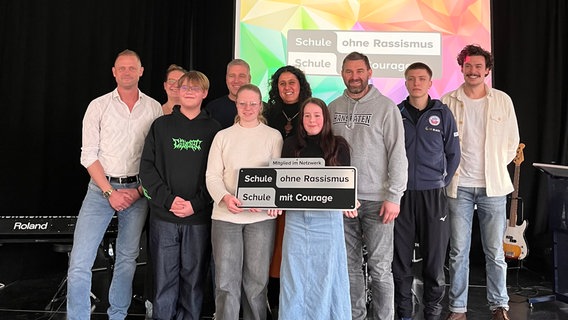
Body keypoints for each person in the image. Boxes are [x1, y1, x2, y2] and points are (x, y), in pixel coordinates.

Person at [67, 49, 162, 320]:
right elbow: (88, 155)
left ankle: (117, 315)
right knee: (80, 262)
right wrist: (110, 192)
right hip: (101, 189)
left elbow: (156, 157)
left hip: (137, 192)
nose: (127, 72)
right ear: (114, 71)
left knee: (127, 260)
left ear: (141, 71)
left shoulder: (154, 108)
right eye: (122, 68)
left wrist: (137, 191)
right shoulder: (98, 106)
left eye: (132, 68)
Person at [441, 44, 519, 320]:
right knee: (458, 251)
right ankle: (458, 309)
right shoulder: (447, 101)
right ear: (461, 67)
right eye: (468, 65)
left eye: (478, 66)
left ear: (487, 70)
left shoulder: (502, 101)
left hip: (493, 187)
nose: (473, 71)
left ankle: (500, 306)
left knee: (495, 252)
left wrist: (495, 167)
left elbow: (511, 144)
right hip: (458, 187)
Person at [328, 51, 408, 320]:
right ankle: (356, 316)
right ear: (342, 74)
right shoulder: (333, 107)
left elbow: (398, 153)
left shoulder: (386, 107)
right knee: (350, 267)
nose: (354, 77)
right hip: (342, 201)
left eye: (359, 71)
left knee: (380, 268)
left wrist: (394, 196)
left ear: (369, 72)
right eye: (349, 71)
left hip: (378, 201)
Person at [139, 71, 221, 320]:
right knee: (163, 281)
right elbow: (147, 168)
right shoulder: (160, 125)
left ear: (204, 93)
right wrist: (168, 200)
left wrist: (195, 204)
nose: (188, 91)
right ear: (176, 90)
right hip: (164, 217)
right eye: (184, 87)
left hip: (197, 219)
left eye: (195, 88)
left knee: (193, 282)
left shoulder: (214, 130)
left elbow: (218, 174)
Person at [206, 84, 283, 320]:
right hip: (226, 216)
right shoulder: (223, 136)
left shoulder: (273, 136)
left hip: (260, 219)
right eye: (243, 103)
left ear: (260, 105)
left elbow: (278, 175)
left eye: (253, 103)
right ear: (236, 105)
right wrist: (225, 198)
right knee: (226, 281)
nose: (248, 108)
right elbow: (212, 176)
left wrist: (272, 202)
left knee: (257, 282)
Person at [393, 62, 461, 320]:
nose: (416, 83)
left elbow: (453, 154)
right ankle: (404, 313)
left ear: (430, 83)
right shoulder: (396, 112)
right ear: (406, 82)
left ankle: (433, 313)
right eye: (411, 79)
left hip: (433, 195)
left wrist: (440, 182)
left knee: (434, 261)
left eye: (422, 78)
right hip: (401, 196)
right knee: (400, 260)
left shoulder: (442, 113)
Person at [278, 97, 355, 320]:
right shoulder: (290, 145)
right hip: (296, 221)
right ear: (301, 120)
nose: (312, 120)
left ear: (325, 118)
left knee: (327, 274)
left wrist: (351, 201)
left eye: (317, 115)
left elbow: (345, 185)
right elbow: (283, 183)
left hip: (328, 221)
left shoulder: (339, 145)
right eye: (307, 115)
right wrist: (275, 202)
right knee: (295, 276)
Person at [264, 65, 312, 315]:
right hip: (273, 192)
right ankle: (275, 303)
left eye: (292, 82)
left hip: (303, 191)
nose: (287, 87)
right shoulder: (268, 112)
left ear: (300, 84)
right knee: (276, 251)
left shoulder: (312, 111)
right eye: (282, 83)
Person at [205, 58, 251, 128]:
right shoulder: (212, 108)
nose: (236, 80)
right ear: (226, 79)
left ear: (249, 79)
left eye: (241, 76)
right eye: (232, 76)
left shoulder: (263, 109)